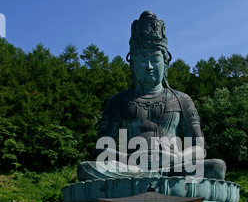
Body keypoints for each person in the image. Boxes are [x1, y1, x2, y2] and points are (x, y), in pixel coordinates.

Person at [77, 11, 226, 182]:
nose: (149, 66)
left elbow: (199, 149)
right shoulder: (118, 101)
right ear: (132, 64)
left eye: (155, 59)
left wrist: (175, 157)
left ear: (165, 62)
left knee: (216, 167)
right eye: (142, 59)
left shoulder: (181, 99)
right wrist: (131, 158)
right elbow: (103, 150)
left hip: (173, 167)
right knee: (86, 169)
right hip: (130, 167)